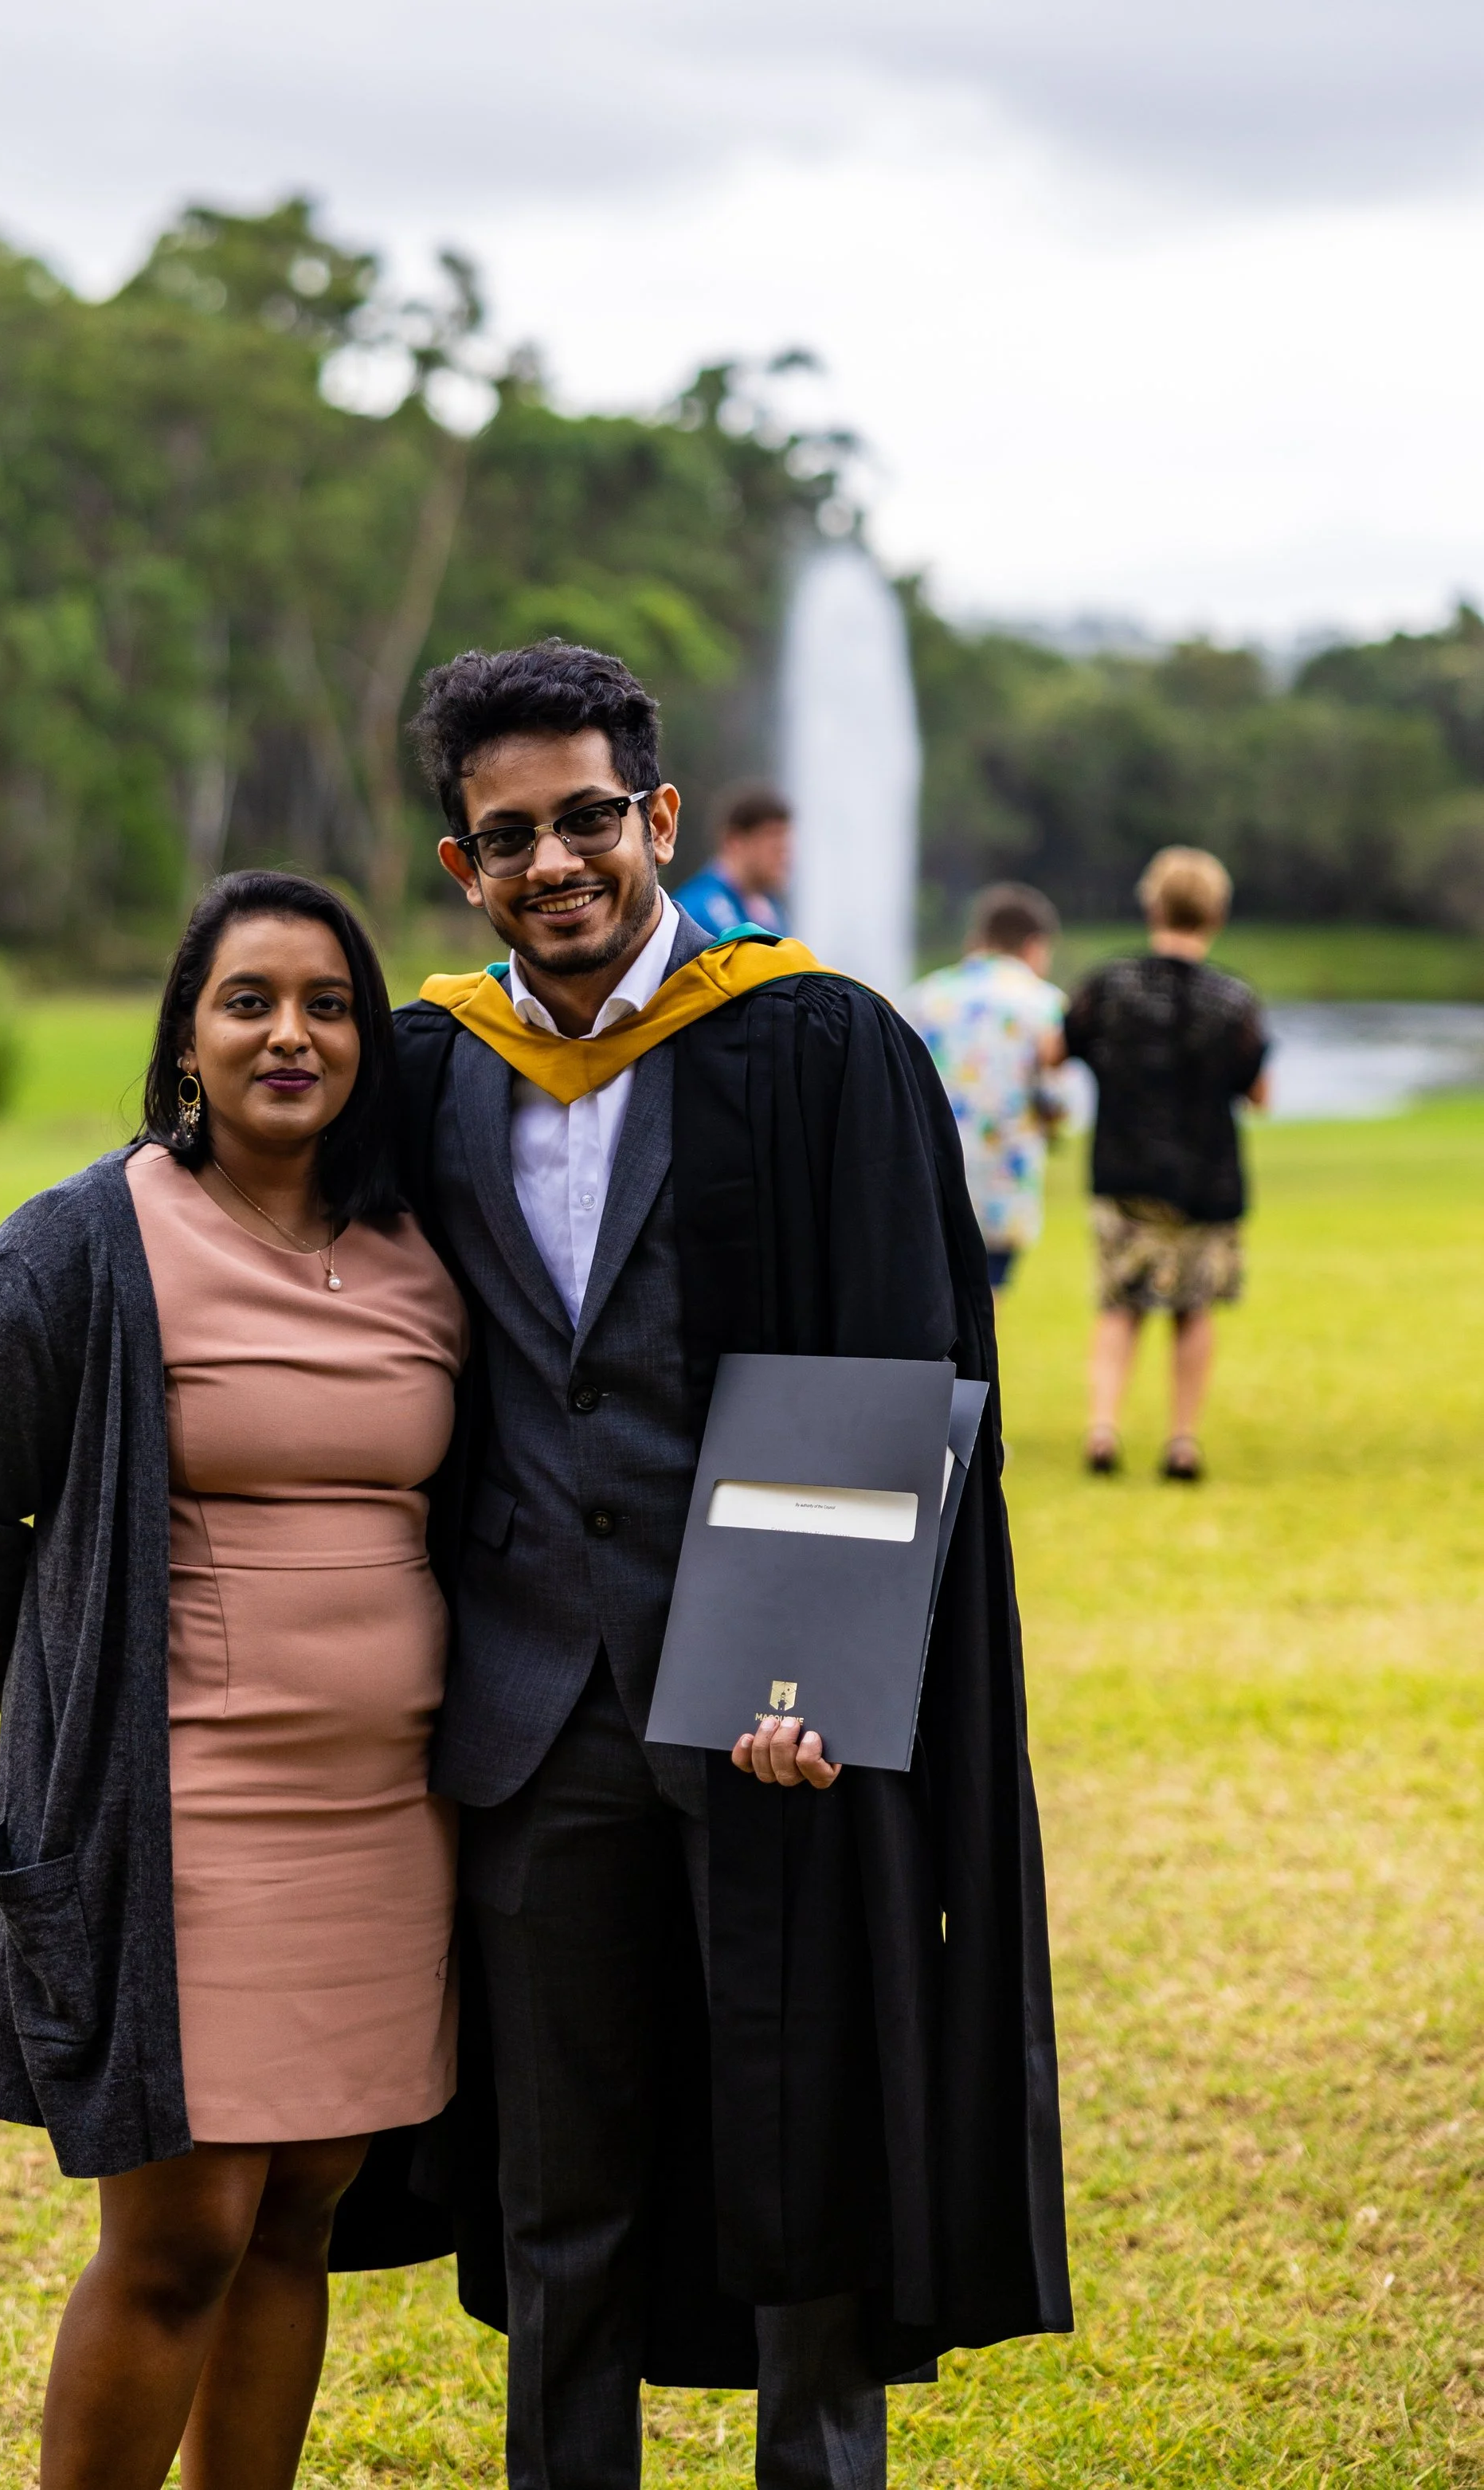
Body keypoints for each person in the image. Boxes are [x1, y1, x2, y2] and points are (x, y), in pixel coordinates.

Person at [395, 642, 1071, 2490]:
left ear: (659, 818)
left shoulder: (815, 1040)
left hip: (763, 1709)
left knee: (804, 2153)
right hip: (533, 1720)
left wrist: (817, 1672)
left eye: (588, 818)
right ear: (464, 861)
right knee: (563, 2193)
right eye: (507, 832)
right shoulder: (430, 1065)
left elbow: (892, 1359)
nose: (554, 862)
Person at [0, 871, 467, 2490]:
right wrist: (71, 1714)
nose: (290, 1031)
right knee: (181, 2232)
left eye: (329, 1001)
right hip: (184, 1819)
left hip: (382, 1818)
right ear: (187, 1035)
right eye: (248, 999)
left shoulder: (421, 1248)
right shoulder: (82, 1247)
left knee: (302, 2208)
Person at [1063, 845, 1269, 1483]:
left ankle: (1103, 1427)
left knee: (1120, 1305)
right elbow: (1259, 1094)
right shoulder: (1235, 1000)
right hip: (1207, 1179)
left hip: (1124, 1171)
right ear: (1217, 914)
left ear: (1152, 904)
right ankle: (1181, 1440)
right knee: (1193, 1308)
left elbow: (1056, 1048)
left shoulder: (1107, 985)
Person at [908, 885, 1067, 1292]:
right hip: (1002, 1185)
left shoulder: (925, 997)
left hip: (929, 1179)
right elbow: (1059, 1102)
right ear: (1034, 945)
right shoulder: (1043, 1003)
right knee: (985, 1298)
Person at [668, 778, 794, 935]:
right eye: (773, 840)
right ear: (734, 842)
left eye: (786, 843)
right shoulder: (698, 909)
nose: (784, 854)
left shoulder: (770, 909)